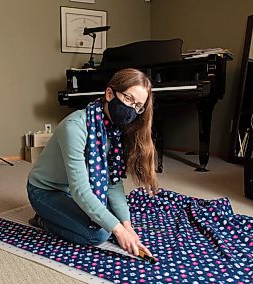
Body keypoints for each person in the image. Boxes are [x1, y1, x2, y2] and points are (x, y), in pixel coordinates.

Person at [26, 68, 158, 257]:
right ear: (110, 93)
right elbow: (81, 190)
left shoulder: (114, 130)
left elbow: (113, 182)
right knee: (99, 233)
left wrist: (127, 226)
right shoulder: (74, 127)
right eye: (128, 99)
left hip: (71, 191)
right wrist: (118, 230)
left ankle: (66, 216)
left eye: (138, 106)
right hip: (45, 191)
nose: (132, 110)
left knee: (115, 216)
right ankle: (43, 220)